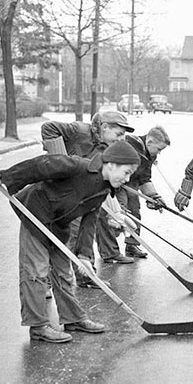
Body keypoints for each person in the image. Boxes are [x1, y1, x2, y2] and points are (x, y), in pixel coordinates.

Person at [0, 140, 141, 343]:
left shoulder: (103, 189)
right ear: (111, 164)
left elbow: (89, 221)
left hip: (58, 225)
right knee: (35, 272)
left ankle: (73, 318)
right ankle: (38, 326)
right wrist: (6, 176)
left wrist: (84, 256)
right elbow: (41, 165)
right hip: (36, 215)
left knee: (64, 273)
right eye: (126, 172)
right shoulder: (77, 167)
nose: (127, 179)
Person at [39, 110, 136, 277]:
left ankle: (85, 276)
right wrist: (62, 163)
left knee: (85, 234)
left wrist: (118, 214)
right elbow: (48, 127)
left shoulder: (107, 150)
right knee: (65, 237)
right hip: (59, 193)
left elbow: (103, 183)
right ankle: (47, 282)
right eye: (118, 134)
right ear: (104, 127)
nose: (121, 139)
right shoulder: (79, 130)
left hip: (81, 195)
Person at [97, 126, 171, 260]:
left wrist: (153, 197)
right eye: (159, 149)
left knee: (135, 214)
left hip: (132, 184)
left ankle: (132, 245)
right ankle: (110, 252)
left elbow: (145, 178)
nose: (159, 153)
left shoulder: (150, 155)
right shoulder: (131, 143)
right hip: (118, 183)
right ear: (150, 142)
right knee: (117, 215)